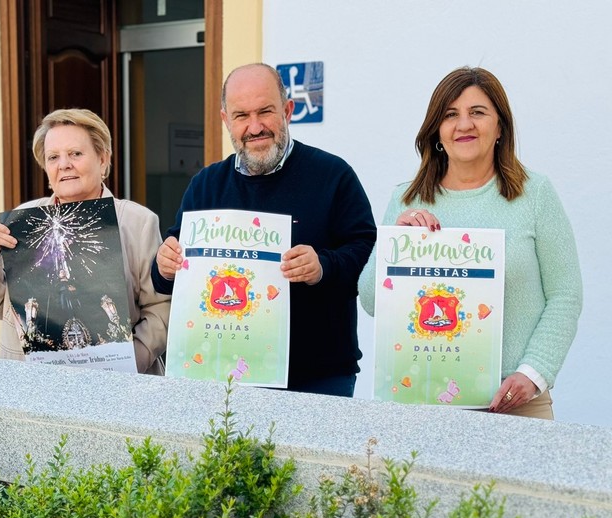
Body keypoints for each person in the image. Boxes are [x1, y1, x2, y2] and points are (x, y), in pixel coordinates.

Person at [358, 67, 582, 419]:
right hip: (420, 401)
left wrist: (534, 372)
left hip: (514, 402)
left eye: (477, 112)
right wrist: (394, 244)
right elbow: (372, 301)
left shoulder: (535, 194)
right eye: (450, 115)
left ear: (500, 128)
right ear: (437, 131)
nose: (464, 125)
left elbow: (565, 295)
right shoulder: (406, 199)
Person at [152, 63, 376, 397]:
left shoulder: (333, 176)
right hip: (221, 378)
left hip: (317, 380)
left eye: (265, 111)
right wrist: (164, 265)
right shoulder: (206, 185)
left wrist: (323, 267)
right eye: (241, 115)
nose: (254, 127)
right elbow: (168, 274)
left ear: (287, 110)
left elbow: (367, 256)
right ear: (226, 120)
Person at [0, 108, 170, 374]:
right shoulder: (24, 222)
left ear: (103, 159)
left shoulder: (137, 222)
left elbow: (160, 308)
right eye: (53, 157)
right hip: (30, 384)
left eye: (75, 154)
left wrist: (130, 361)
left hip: (118, 385)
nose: (64, 164)